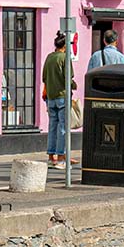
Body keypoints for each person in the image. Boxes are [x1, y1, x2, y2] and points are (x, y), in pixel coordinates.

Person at [43, 32, 75, 165]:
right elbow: (68, 77)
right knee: (63, 127)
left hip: (50, 96)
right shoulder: (64, 58)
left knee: (52, 126)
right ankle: (61, 156)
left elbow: (44, 77)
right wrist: (74, 85)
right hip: (62, 95)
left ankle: (51, 156)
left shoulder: (49, 57)